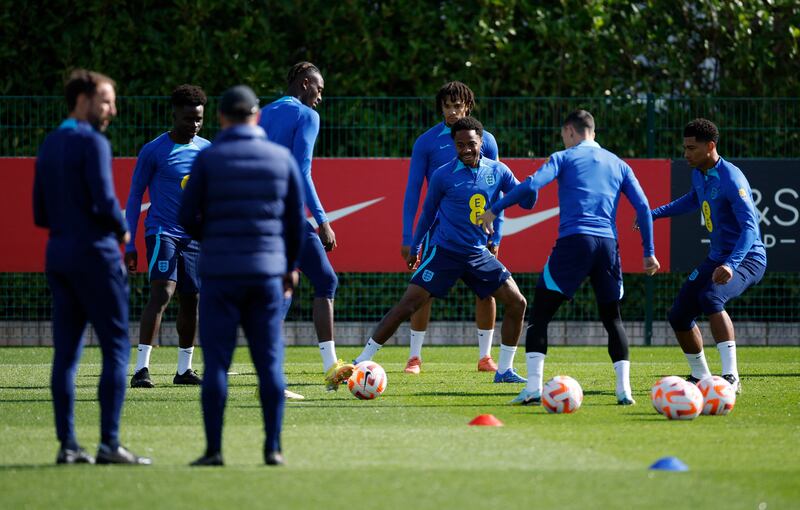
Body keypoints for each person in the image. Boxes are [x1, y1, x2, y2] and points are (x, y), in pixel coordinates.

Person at [479, 110, 660, 406]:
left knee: (540, 316)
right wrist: (649, 252)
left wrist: (495, 208)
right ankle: (623, 391)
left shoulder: (564, 157)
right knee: (612, 318)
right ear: (594, 132)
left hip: (574, 242)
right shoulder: (618, 163)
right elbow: (643, 205)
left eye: (564, 135)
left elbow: (532, 185)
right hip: (607, 245)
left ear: (570, 131)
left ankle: (534, 388)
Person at [180, 85, 305, 467]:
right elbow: (294, 222)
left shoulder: (208, 158)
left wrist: (214, 239)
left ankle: (214, 451)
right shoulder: (279, 158)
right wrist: (290, 266)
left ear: (220, 118)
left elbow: (187, 218)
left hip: (219, 274)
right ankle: (273, 449)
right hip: (266, 273)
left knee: (216, 363)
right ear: (256, 116)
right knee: (269, 363)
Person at [354, 117, 531, 384]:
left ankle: (504, 371)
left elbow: (526, 201)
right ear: (454, 146)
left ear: (481, 142)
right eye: (460, 145)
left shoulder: (499, 171)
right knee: (408, 304)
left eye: (471, 144)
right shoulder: (443, 175)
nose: (466, 149)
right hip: (444, 251)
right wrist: (415, 246)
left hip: (477, 253)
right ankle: (360, 362)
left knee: (518, 302)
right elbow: (427, 214)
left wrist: (530, 188)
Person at [33, 69, 151, 465]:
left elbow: (39, 212)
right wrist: (123, 232)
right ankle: (108, 444)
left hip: (60, 256)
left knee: (65, 355)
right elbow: (104, 201)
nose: (112, 110)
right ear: (82, 100)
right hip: (97, 259)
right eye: (106, 100)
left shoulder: (49, 144)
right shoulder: (93, 142)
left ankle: (67, 446)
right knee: (117, 349)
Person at [647, 118, 766, 393]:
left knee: (712, 296)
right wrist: (654, 214)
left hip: (747, 258)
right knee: (678, 315)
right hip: (718, 257)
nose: (686, 154)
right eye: (684, 148)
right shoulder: (699, 173)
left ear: (710, 146)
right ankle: (700, 376)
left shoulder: (732, 178)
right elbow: (692, 199)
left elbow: (751, 228)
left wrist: (732, 264)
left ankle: (731, 378)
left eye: (691, 148)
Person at [258, 62, 353, 391]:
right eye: (320, 88)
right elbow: (301, 172)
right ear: (305, 83)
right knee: (289, 289)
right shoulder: (306, 116)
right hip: (285, 214)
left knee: (323, 279)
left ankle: (331, 368)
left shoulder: (264, 113)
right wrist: (323, 220)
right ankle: (272, 374)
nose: (321, 97)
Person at [401, 81, 503, 375]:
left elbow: (498, 189)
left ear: (467, 107)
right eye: (447, 106)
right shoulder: (427, 142)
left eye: (458, 106)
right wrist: (410, 237)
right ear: (441, 108)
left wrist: (496, 233)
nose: (452, 111)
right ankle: (414, 358)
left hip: (477, 231)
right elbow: (412, 191)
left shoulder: (487, 141)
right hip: (438, 232)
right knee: (423, 291)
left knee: (488, 290)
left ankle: (485, 358)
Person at [125, 84, 210, 388]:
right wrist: (128, 241)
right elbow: (134, 197)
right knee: (162, 293)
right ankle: (140, 369)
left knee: (192, 300)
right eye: (188, 119)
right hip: (163, 232)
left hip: (195, 239)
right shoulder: (154, 150)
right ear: (174, 114)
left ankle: (184, 370)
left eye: (199, 119)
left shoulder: (207, 150)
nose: (194, 125)